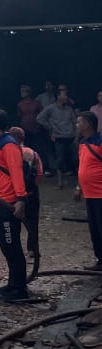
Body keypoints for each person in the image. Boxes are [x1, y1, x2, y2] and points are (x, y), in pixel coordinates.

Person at [0, 109, 30, 303]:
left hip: (8, 203)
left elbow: (17, 173)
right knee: (5, 245)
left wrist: (20, 199)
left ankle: (19, 288)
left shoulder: (8, 145)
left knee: (12, 245)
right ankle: (13, 283)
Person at [9, 126, 43, 274]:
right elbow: (40, 172)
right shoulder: (32, 153)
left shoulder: (11, 153)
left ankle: (14, 249)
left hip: (15, 193)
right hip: (32, 193)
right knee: (33, 221)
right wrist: (32, 187)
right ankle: (33, 249)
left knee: (14, 222)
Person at [75, 111, 102, 271]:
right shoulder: (83, 142)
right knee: (94, 229)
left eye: (79, 122)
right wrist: (79, 187)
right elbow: (82, 165)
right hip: (89, 193)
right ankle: (100, 260)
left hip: (100, 193)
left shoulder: (100, 142)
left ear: (87, 124)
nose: (77, 125)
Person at [37, 90, 79, 187]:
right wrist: (50, 127)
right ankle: (60, 182)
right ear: (58, 96)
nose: (66, 97)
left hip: (71, 137)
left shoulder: (69, 109)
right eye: (64, 95)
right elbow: (39, 118)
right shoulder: (50, 108)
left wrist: (76, 136)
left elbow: (74, 122)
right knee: (60, 160)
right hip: (59, 137)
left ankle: (79, 182)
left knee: (75, 159)